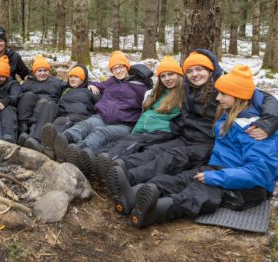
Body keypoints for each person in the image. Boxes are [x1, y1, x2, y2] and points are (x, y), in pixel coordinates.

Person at [107, 50, 278, 215]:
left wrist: (270, 121)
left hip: (217, 157)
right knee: (171, 163)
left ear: (211, 70)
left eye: (199, 69)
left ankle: (160, 209)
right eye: (189, 71)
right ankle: (136, 189)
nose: (194, 74)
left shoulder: (253, 126)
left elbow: (259, 170)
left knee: (195, 182)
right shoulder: (201, 95)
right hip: (210, 154)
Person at [89, 56, 185, 183]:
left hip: (160, 132)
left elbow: (181, 120)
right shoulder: (157, 93)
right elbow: (145, 113)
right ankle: (92, 158)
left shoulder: (182, 94)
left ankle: (102, 166)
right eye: (163, 76)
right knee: (119, 143)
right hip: (141, 129)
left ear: (179, 75)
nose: (167, 79)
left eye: (171, 74)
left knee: (130, 145)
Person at [50, 51, 152, 166]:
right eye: (114, 69)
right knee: (85, 124)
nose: (118, 71)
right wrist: (91, 84)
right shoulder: (111, 81)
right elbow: (99, 84)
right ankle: (59, 142)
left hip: (124, 125)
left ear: (126, 67)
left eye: (120, 67)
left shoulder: (140, 86)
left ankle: (75, 152)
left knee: (101, 132)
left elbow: (152, 99)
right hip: (102, 117)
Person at [39, 65, 101, 159]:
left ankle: (55, 150)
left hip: (81, 118)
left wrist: (92, 84)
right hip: (64, 116)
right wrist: (31, 77)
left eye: (76, 77)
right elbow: (50, 84)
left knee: (69, 132)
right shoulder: (65, 89)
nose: (72, 79)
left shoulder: (91, 90)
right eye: (71, 76)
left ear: (83, 80)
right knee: (57, 125)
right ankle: (47, 147)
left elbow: (102, 106)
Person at [18, 55, 64, 150]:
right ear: (34, 72)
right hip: (31, 112)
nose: (42, 73)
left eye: (45, 70)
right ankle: (24, 129)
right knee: (27, 96)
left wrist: (91, 85)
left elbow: (73, 84)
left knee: (46, 103)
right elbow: (16, 93)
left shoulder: (56, 82)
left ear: (49, 71)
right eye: (39, 71)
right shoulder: (28, 83)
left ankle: (35, 138)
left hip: (48, 109)